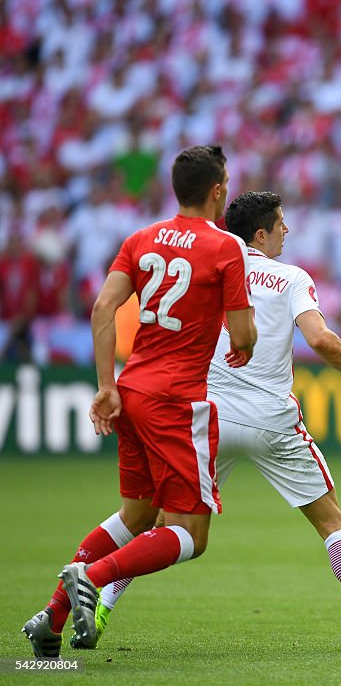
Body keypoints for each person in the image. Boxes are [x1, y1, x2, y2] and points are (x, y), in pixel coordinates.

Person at [78, 191, 341, 652]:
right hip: (272, 421)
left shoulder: (210, 270)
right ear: (261, 233)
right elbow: (322, 338)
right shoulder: (291, 277)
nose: (287, 231)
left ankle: (99, 608)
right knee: (332, 521)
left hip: (206, 417)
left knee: (157, 522)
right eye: (281, 223)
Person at [22, 145, 258, 658]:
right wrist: (247, 341)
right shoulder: (226, 248)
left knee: (136, 514)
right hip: (177, 401)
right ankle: (93, 575)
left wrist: (106, 384)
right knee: (191, 533)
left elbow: (103, 308)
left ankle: (51, 615)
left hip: (131, 390)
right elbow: (242, 335)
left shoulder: (141, 238)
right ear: (218, 190)